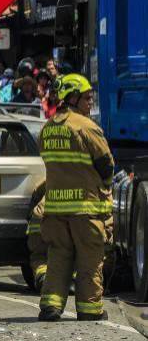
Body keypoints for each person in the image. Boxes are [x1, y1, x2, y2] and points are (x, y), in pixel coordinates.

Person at [38, 74, 114, 322]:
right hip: (86, 209)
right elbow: (106, 166)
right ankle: (90, 309)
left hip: (56, 210)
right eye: (87, 98)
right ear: (72, 98)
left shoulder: (48, 129)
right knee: (90, 261)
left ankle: (51, 306)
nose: (90, 103)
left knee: (58, 258)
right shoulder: (86, 127)